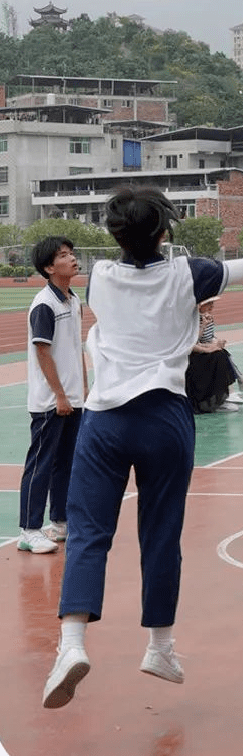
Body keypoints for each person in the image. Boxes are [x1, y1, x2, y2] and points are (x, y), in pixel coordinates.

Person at [42, 183, 243, 710]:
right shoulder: (188, 272)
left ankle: (72, 644)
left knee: (87, 534)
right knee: (160, 533)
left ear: (114, 236)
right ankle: (160, 647)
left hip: (103, 420)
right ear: (166, 231)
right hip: (165, 417)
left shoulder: (99, 276)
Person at [18, 237, 86, 555]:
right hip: (50, 401)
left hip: (73, 398)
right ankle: (29, 530)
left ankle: (59, 522)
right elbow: (43, 353)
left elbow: (75, 349)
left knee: (66, 463)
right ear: (48, 268)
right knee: (41, 465)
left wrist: (82, 390)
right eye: (63, 255)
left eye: (71, 253)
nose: (72, 258)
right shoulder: (45, 305)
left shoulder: (73, 300)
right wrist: (59, 395)